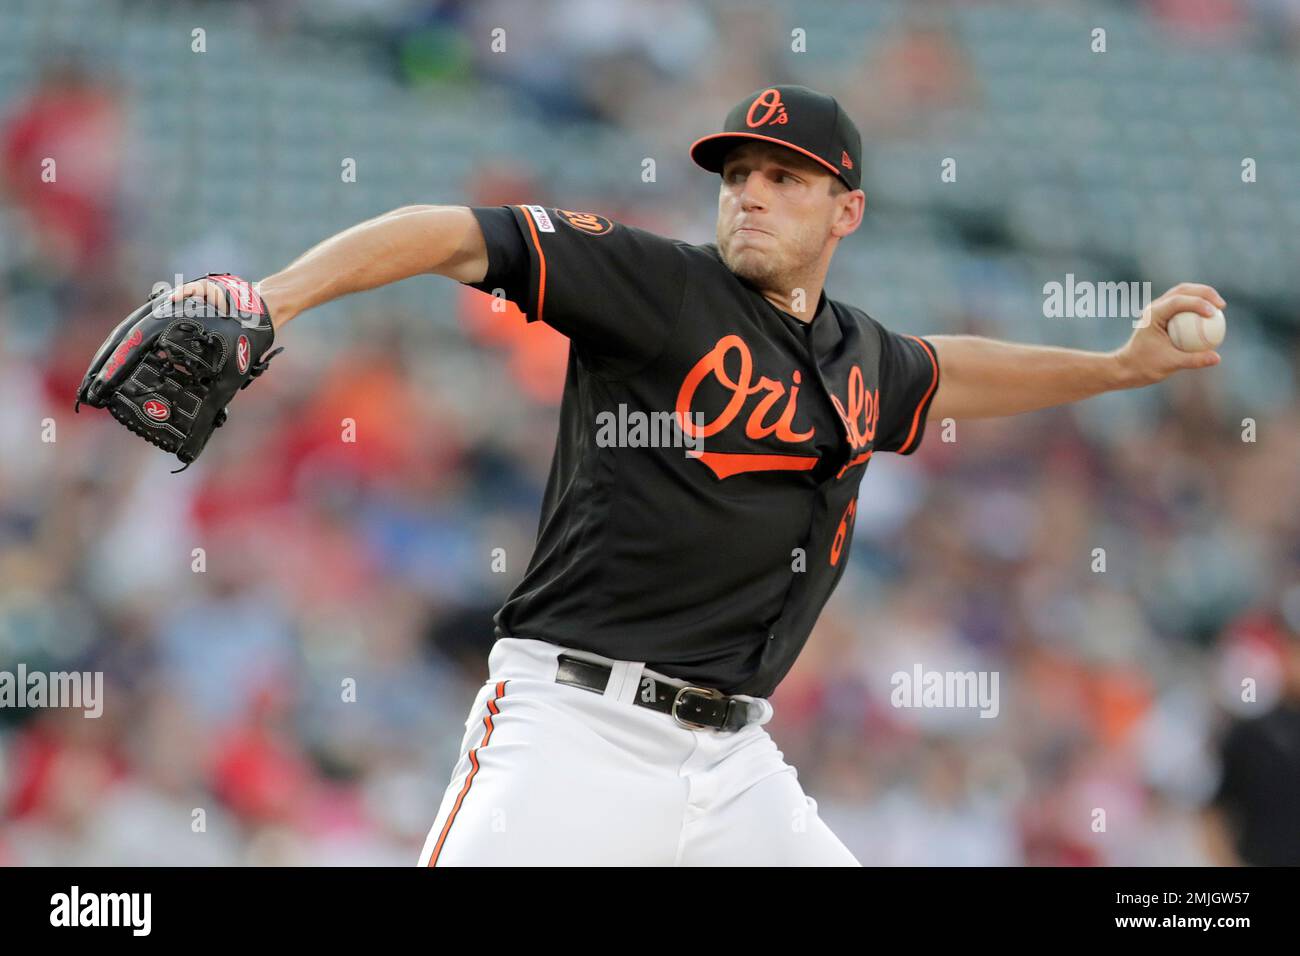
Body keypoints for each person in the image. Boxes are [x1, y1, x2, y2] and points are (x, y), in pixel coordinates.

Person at [167, 86, 1226, 866]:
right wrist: (276, 297)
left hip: (732, 764)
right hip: (576, 725)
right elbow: (454, 234)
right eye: (737, 176)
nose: (750, 196)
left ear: (844, 210)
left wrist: (1120, 366)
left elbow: (952, 371)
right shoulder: (658, 286)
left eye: (784, 177)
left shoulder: (861, 357)